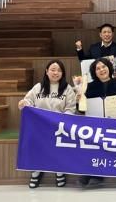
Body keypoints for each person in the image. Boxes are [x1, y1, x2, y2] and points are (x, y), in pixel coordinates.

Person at [18, 59, 77, 189]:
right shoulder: (38, 87)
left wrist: (60, 121)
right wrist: (23, 103)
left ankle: (59, 171)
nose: (56, 73)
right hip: (40, 126)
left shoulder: (67, 89)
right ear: (47, 71)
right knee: (37, 144)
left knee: (59, 146)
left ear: (63, 73)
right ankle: (36, 170)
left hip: (59, 126)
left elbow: (71, 109)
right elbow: (28, 101)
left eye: (59, 70)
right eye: (53, 70)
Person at [78, 58, 116, 187]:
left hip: (115, 124)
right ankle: (89, 173)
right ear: (94, 72)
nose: (101, 70)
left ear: (109, 68)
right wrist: (80, 100)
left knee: (103, 139)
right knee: (92, 140)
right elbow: (82, 110)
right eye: (98, 68)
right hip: (95, 124)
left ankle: (96, 175)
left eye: (103, 67)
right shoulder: (89, 87)